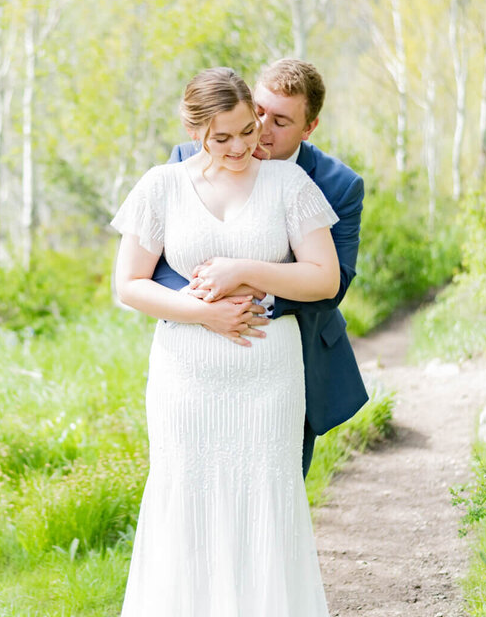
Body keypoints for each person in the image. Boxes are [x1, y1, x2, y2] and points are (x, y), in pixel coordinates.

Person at [111, 67, 340, 616]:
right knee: (185, 496)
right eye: (223, 137)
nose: (241, 146)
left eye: (247, 130)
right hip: (185, 378)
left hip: (268, 378)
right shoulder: (160, 187)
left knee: (266, 499)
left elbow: (324, 278)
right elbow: (129, 286)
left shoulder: (288, 185)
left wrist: (248, 269)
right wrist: (203, 315)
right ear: (196, 132)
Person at [153, 58, 368, 477]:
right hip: (195, 356)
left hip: (290, 358)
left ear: (310, 129)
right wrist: (205, 306)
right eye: (259, 110)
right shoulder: (186, 158)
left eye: (281, 121)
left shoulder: (338, 184)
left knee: (275, 489)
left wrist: (243, 282)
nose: (261, 128)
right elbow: (158, 263)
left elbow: (334, 282)